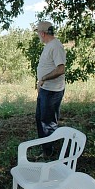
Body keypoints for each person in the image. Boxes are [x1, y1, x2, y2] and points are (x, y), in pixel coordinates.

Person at [34, 21, 66, 157]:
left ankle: (51, 154)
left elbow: (61, 69)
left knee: (48, 122)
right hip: (45, 89)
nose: (38, 36)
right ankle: (46, 149)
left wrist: (44, 79)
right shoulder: (49, 45)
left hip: (52, 91)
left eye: (38, 33)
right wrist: (41, 83)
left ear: (42, 33)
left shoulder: (56, 46)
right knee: (40, 118)